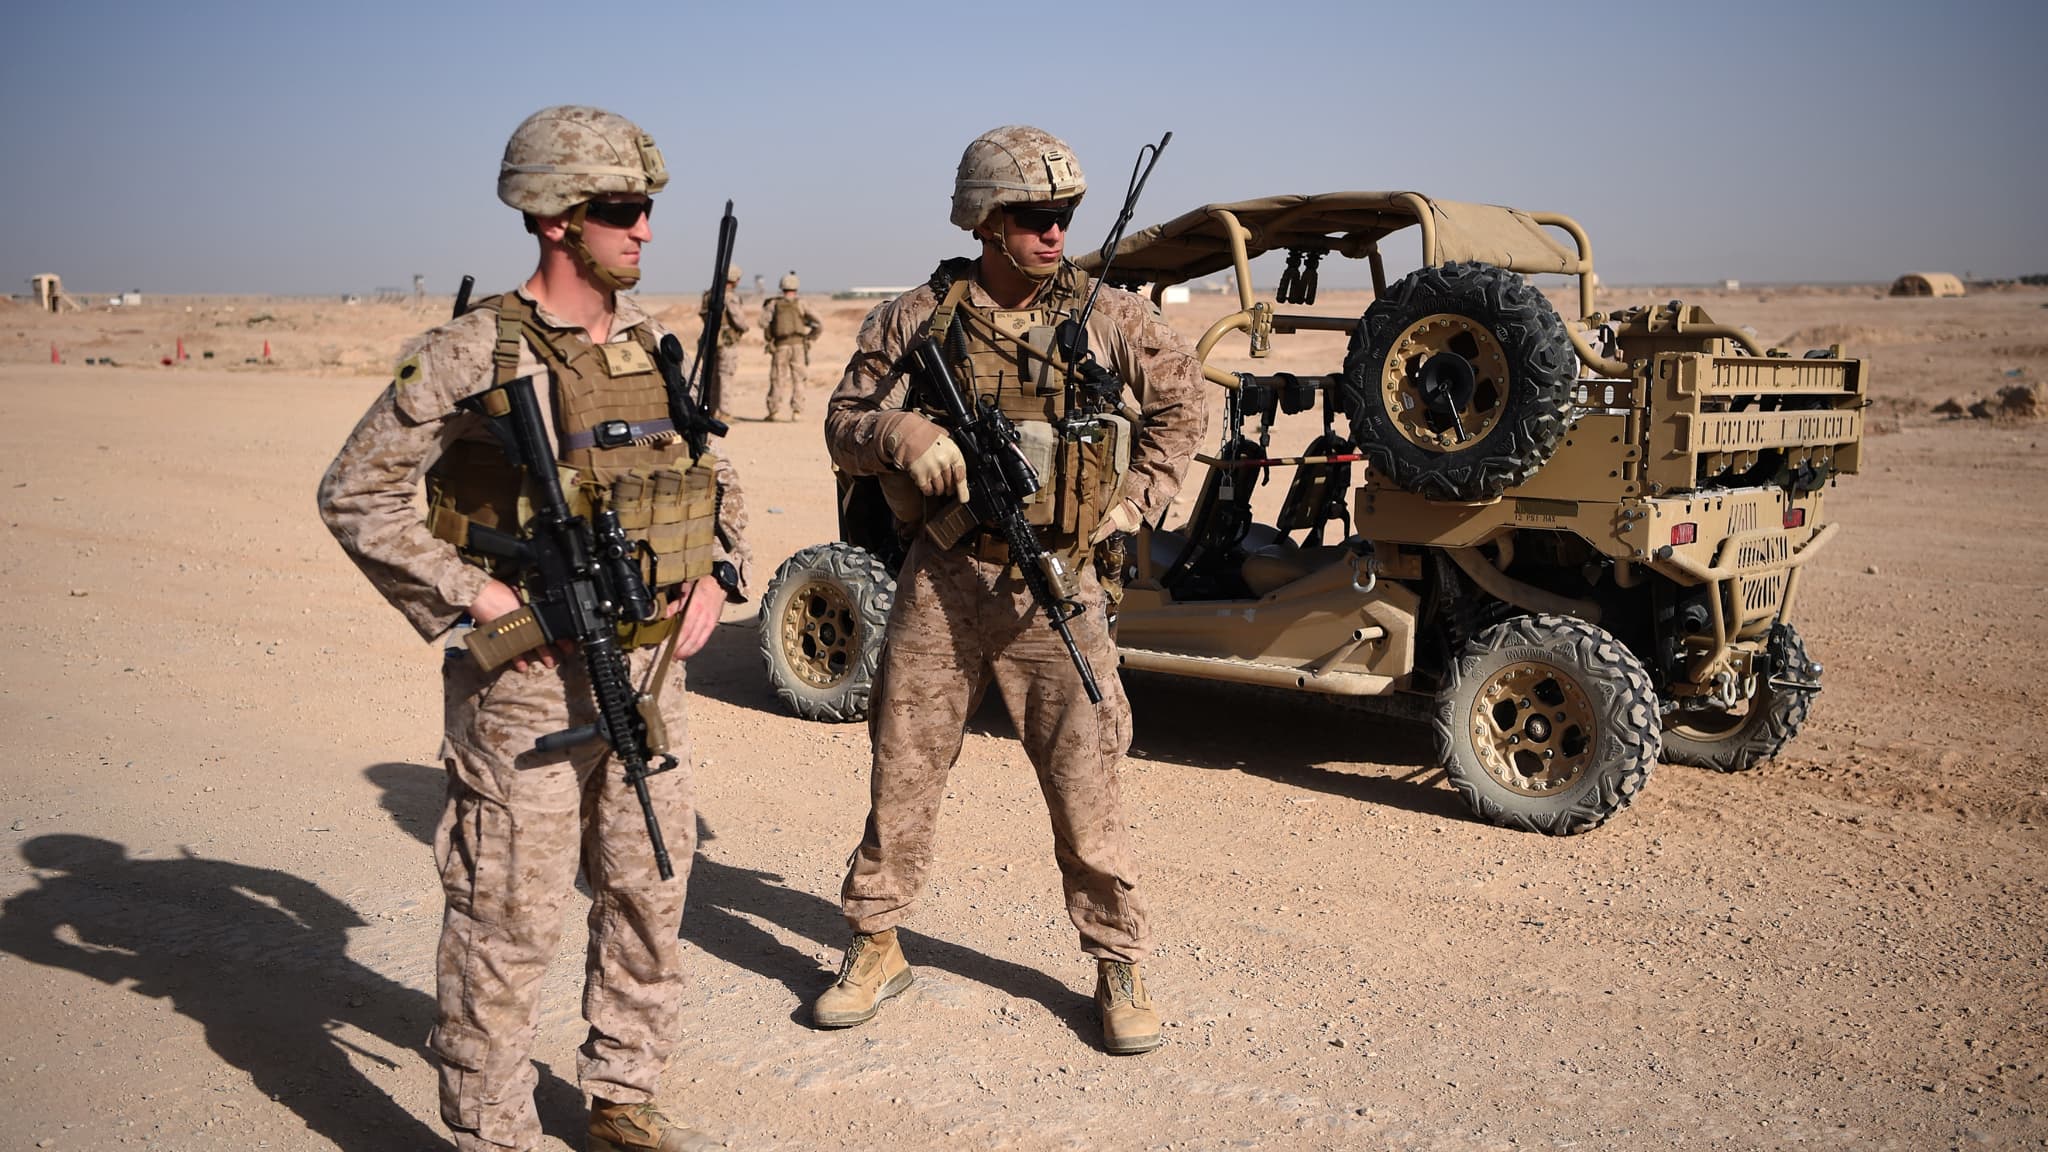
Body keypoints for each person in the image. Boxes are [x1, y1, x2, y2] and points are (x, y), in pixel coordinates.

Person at [317, 105, 747, 1152]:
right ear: (556, 218)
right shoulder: (473, 351)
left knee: (649, 892)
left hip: (648, 675)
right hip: (525, 685)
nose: (643, 229)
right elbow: (357, 494)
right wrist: (475, 595)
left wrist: (714, 573)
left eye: (646, 209)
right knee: (505, 922)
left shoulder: (649, 343)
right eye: (621, 210)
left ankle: (622, 1095)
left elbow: (712, 474)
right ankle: (491, 1131)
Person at [814, 125, 1205, 1054]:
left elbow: (1185, 403)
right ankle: (876, 943)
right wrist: (900, 435)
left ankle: (1116, 959)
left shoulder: (1109, 316)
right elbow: (843, 422)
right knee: (902, 767)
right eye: (1034, 216)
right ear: (986, 222)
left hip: (1058, 584)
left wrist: (1133, 504)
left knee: (1086, 781)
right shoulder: (917, 318)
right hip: (944, 579)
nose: (1055, 232)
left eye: (1065, 215)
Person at [760, 271, 824, 421]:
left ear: (782, 286)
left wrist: (771, 334)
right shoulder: (802, 304)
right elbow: (819, 323)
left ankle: (773, 411)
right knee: (799, 379)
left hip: (780, 346)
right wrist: (810, 337)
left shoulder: (773, 304)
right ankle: (797, 412)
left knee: (777, 378)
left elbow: (762, 322)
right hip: (799, 346)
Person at [699, 263, 751, 422]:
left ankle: (711, 411)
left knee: (711, 377)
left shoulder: (709, 295)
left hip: (709, 340)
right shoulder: (729, 297)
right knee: (725, 376)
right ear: (734, 279)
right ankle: (725, 413)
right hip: (727, 342)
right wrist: (744, 328)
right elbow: (739, 320)